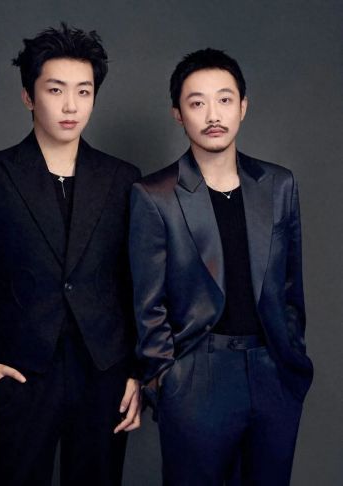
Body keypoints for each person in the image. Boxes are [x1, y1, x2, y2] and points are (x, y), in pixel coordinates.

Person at [0, 23, 141, 486]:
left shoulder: (124, 179)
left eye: (83, 91)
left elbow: (135, 281)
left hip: (103, 373)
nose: (71, 106)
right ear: (28, 96)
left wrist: (137, 372)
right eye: (55, 90)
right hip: (20, 371)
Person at [129, 48, 313, 485]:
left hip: (273, 371)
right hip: (197, 376)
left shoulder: (279, 184)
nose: (213, 114)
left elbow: (291, 287)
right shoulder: (155, 195)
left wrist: (291, 359)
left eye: (225, 100)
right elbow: (148, 304)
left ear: (243, 106)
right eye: (197, 103)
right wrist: (167, 380)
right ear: (178, 114)